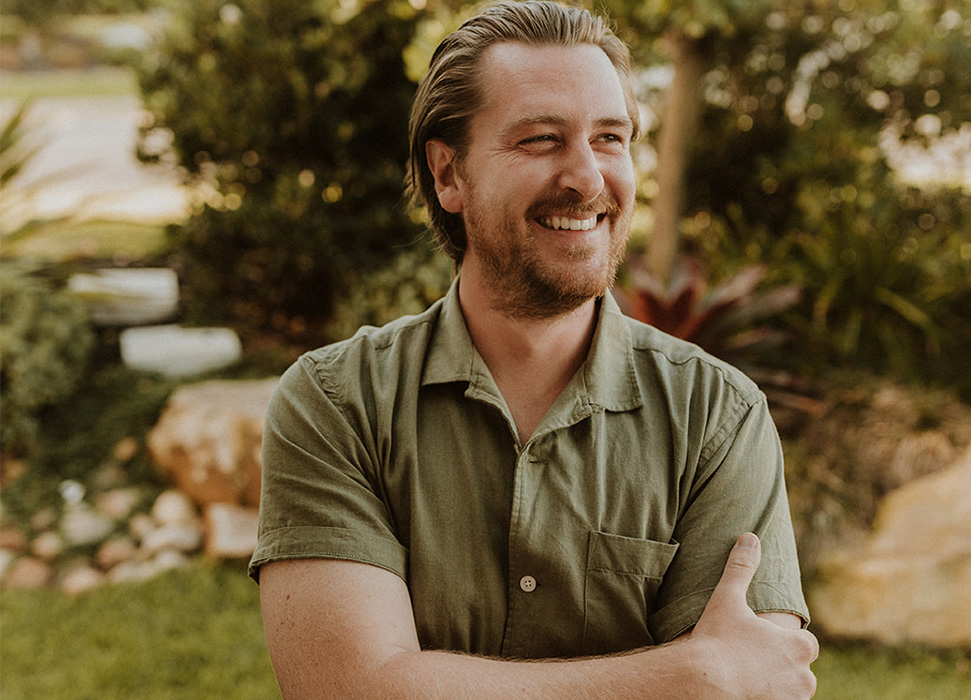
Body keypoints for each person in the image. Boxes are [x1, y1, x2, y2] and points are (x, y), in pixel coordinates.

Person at [250, 1, 819, 697]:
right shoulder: (337, 405)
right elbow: (349, 690)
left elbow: (753, 683)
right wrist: (689, 672)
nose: (587, 178)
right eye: (542, 139)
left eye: (611, 138)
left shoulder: (717, 417)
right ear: (448, 175)